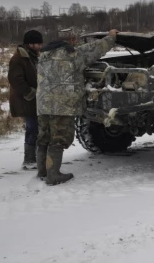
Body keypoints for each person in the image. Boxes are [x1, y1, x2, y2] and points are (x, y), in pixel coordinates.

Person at [36, 29, 118, 185]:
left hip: (43, 103)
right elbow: (97, 48)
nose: (75, 43)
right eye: (74, 40)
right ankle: (53, 175)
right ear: (69, 41)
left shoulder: (43, 56)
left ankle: (42, 172)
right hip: (63, 104)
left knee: (44, 137)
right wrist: (111, 37)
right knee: (58, 139)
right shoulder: (73, 54)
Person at [8, 30, 44, 170]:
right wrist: (30, 92)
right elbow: (15, 80)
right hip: (25, 100)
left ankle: (34, 158)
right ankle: (29, 160)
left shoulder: (31, 56)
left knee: (35, 128)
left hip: (31, 99)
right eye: (38, 43)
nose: (40, 46)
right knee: (32, 129)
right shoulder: (19, 58)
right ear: (30, 43)